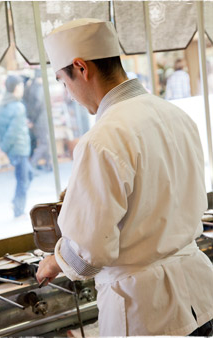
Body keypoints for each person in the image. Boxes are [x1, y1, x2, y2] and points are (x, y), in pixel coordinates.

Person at [36, 18, 213, 336]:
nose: (69, 94)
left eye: (64, 82)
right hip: (201, 296)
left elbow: (89, 256)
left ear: (81, 68)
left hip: (147, 313)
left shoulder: (102, 138)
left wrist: (55, 260)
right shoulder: (176, 115)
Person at [0, 75, 33, 217]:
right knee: (24, 179)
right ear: (16, 87)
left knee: (27, 175)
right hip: (19, 148)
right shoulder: (18, 106)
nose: (22, 89)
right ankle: (18, 209)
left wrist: (0, 146)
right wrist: (2, 147)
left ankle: (16, 202)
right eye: (21, 86)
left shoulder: (3, 104)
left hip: (13, 150)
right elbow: (13, 131)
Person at [23, 69, 52, 171]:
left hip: (37, 120)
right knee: (45, 143)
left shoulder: (32, 87)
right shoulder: (39, 88)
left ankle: (49, 165)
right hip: (41, 120)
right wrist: (33, 120)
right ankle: (32, 164)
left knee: (46, 141)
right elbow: (39, 105)